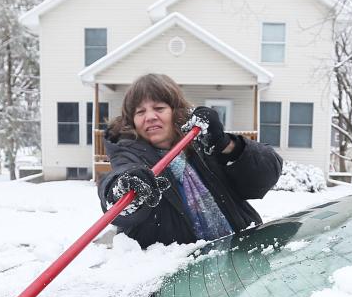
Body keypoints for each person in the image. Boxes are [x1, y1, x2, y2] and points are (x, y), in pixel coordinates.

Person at [98, 73, 282, 248]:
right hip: (183, 276)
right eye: (140, 112)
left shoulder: (204, 144)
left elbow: (266, 175)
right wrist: (123, 188)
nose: (150, 117)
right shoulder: (128, 155)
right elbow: (116, 188)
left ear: (175, 112)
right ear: (132, 121)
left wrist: (226, 145)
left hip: (242, 257)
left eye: (159, 108)